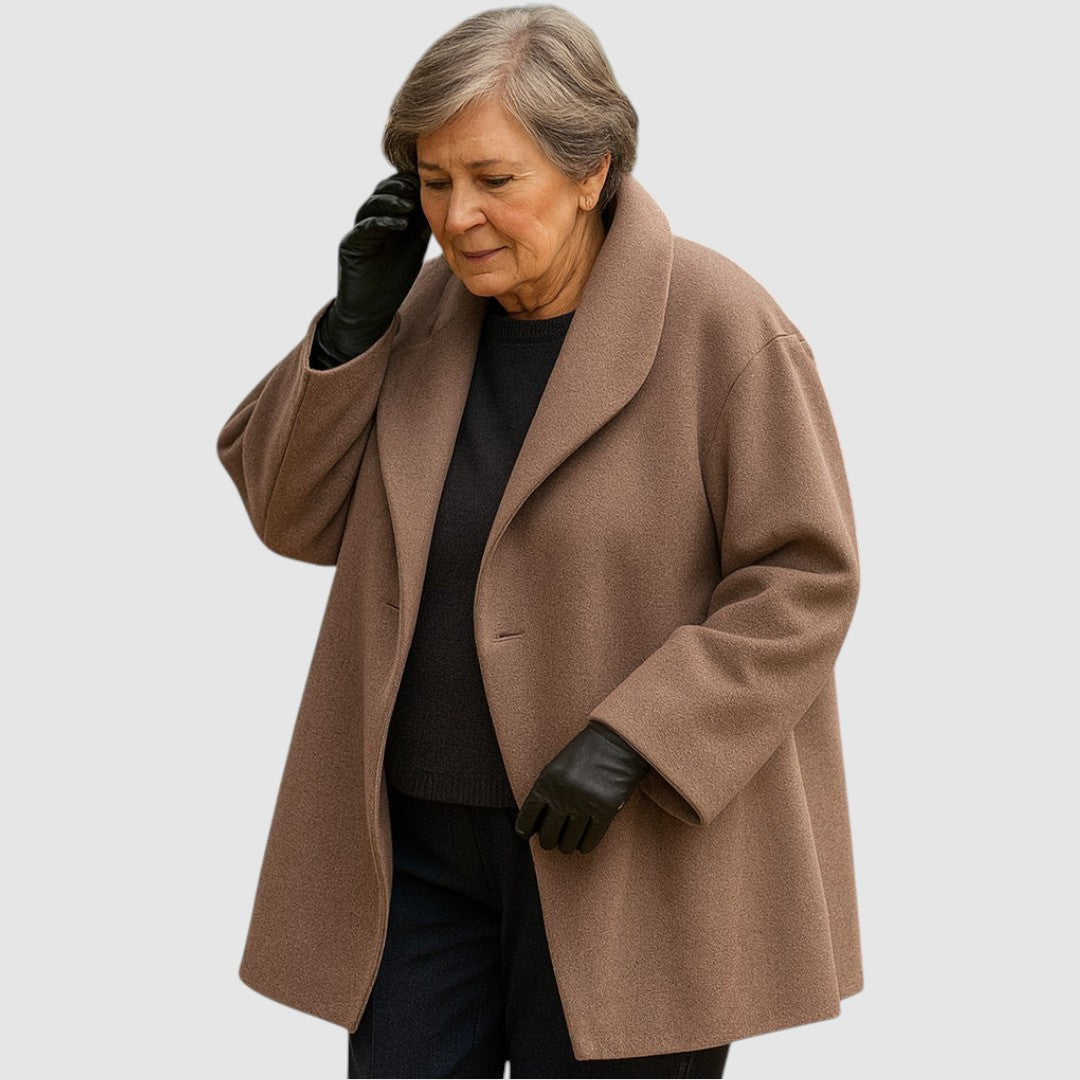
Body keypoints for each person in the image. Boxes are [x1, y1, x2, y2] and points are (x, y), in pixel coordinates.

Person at [216, 5, 862, 1077]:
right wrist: (352, 328)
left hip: (624, 855)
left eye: (493, 178)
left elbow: (805, 579)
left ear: (590, 169)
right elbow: (291, 516)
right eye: (433, 181)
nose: (458, 215)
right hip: (411, 857)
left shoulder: (721, 324)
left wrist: (639, 738)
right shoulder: (419, 315)